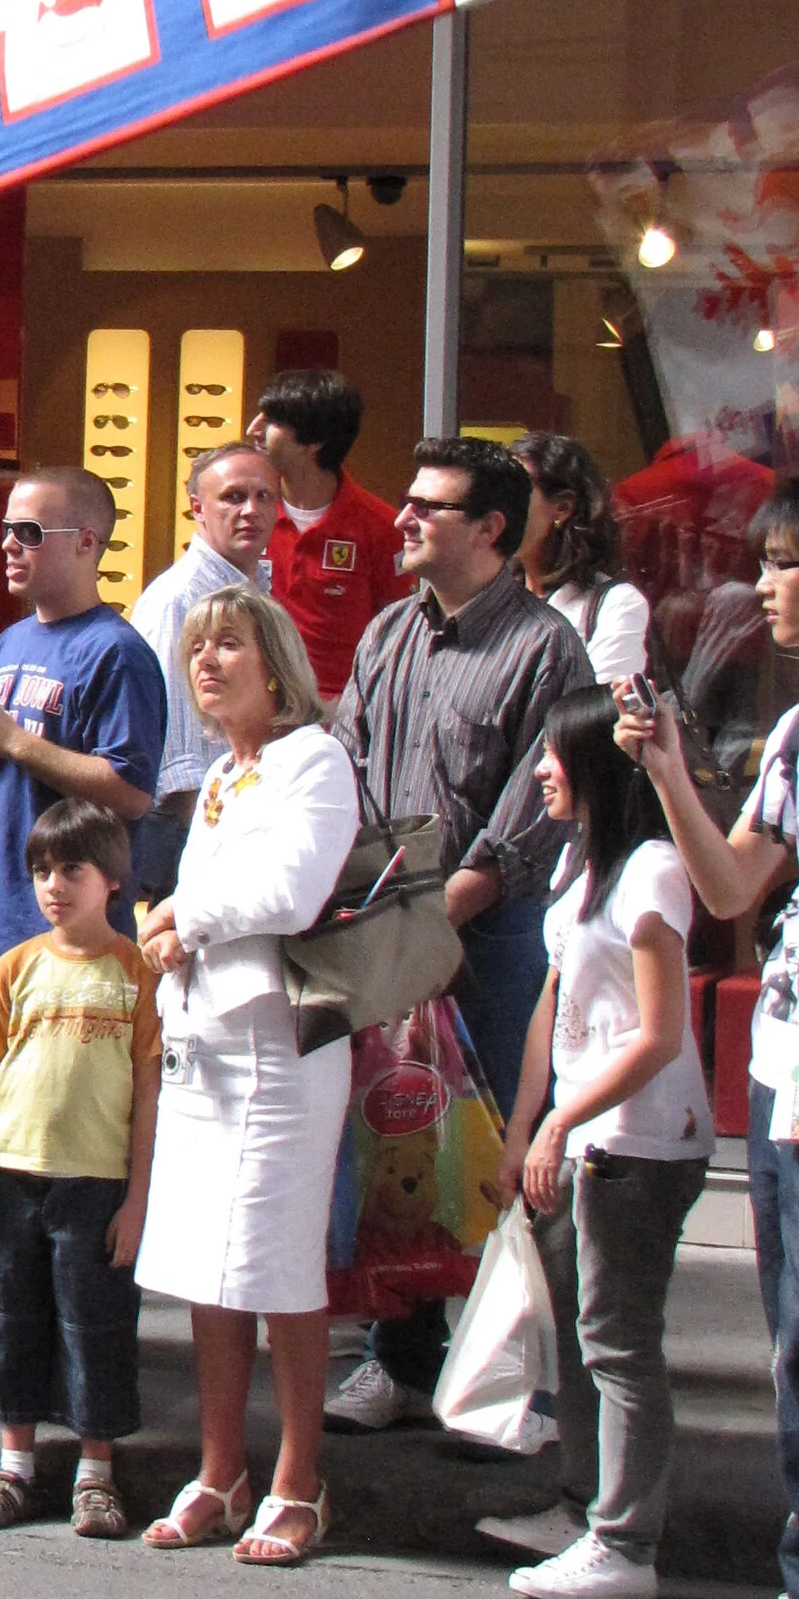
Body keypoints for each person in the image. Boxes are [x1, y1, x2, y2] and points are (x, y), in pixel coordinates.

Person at [326, 437, 595, 1429]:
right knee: (396, 1144)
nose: (401, 519)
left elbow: (531, 806)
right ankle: (397, 1358)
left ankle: (506, 1380)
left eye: (427, 507)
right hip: (385, 923)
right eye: (406, 500)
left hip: (487, 939)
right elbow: (347, 770)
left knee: (494, 1156)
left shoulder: (542, 646)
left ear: (489, 530)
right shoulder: (388, 632)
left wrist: (441, 912)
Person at [618, 467, 799, 1599]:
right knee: (792, 1334)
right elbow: (733, 887)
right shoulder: (794, 732)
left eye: (786, 564)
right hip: (789, 1066)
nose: (765, 587)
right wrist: (667, 774)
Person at [135, 588, 361, 1565]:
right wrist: (166, 933)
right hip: (203, 1045)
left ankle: (297, 1481)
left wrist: (183, 918)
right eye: (196, 648)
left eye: (227, 644)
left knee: (277, 1264)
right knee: (204, 1269)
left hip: (278, 1048)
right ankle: (218, 1472)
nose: (208, 661)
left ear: (273, 662)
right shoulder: (222, 775)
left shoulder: (311, 758)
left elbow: (291, 889)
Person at [491, 687, 710, 1599]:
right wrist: (523, 1122)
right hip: (580, 1137)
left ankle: (626, 1538)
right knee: (581, 1333)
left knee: (620, 1341)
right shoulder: (582, 866)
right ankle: (587, 1504)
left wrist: (559, 1120)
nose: (541, 771)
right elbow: (556, 1003)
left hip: (639, 1141)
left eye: (554, 755)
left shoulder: (654, 870)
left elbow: (657, 1034)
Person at [0, 467, 165, 1319]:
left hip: (70, 942)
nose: (8, 545)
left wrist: (16, 740)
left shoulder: (116, 651)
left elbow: (130, 788)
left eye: (30, 532)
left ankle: (50, 1308)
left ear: (89, 544)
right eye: (6, 529)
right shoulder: (5, 645)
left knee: (56, 1132)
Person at [0, 799, 161, 1538]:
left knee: (94, 1322)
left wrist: (138, 1199)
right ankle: (15, 1465)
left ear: (112, 879)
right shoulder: (16, 966)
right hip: (14, 1181)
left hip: (97, 1186)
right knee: (11, 1318)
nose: (53, 884)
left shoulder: (136, 973)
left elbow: (148, 1088)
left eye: (71, 867)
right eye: (41, 869)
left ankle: (96, 1472)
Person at [128, 442, 280, 904]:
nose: (250, 510)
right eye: (233, 497)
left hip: (243, 823)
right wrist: (224, 849)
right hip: (198, 835)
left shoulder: (257, 589)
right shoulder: (179, 599)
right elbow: (179, 764)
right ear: (197, 507)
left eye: (263, 497)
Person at [250, 369, 403, 706]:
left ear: (313, 442)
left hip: (341, 718)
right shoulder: (249, 515)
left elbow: (396, 635)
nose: (253, 430)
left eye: (272, 421)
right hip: (257, 708)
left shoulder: (381, 527)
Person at [517, 432, 653, 684]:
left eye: (515, 493)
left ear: (563, 508)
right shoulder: (490, 594)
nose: (498, 508)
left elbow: (598, 714)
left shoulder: (616, 604)